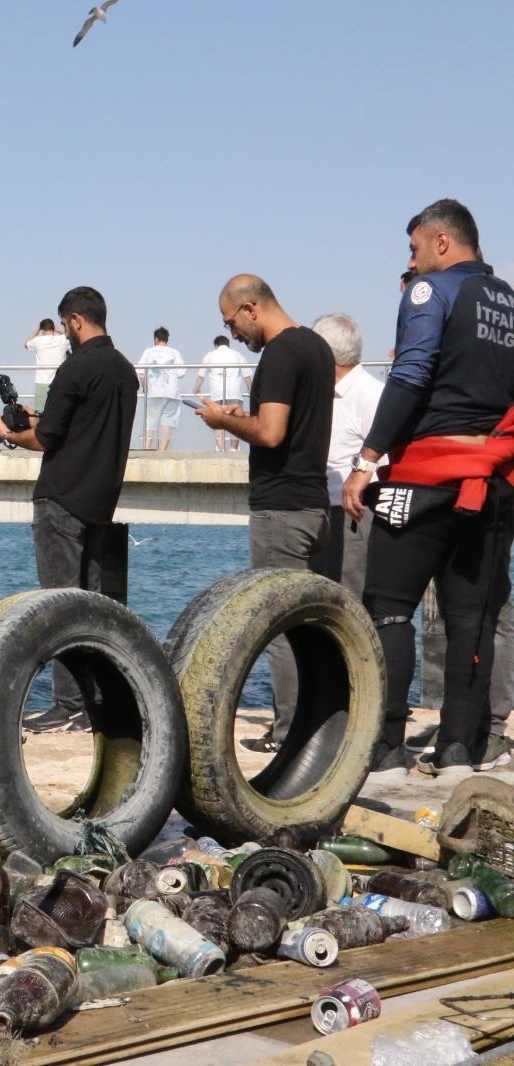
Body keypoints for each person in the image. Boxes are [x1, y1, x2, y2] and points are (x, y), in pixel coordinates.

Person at [343, 199, 514, 776]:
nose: (412, 262)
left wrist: (367, 460)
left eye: (415, 249)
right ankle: (459, 748)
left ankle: (387, 746)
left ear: (442, 242)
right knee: (473, 619)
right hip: (491, 482)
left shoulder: (429, 291)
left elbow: (411, 374)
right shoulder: (509, 301)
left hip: (424, 476)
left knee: (389, 611)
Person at [0, 286, 138, 732]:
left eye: (65, 324)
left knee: (58, 607)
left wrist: (5, 434)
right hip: (99, 502)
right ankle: (93, 704)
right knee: (90, 609)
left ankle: (66, 703)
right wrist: (37, 417)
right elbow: (80, 426)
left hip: (61, 499)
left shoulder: (75, 367)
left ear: (75, 320)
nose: (66, 333)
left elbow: (45, 439)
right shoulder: (125, 371)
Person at [199, 274, 333, 754]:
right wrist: (244, 417)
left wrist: (222, 421)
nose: (233, 333)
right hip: (315, 506)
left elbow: (273, 434)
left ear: (251, 308)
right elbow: (290, 424)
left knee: (280, 629)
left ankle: (289, 735)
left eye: (231, 322)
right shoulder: (316, 347)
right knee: (313, 629)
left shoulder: (278, 354)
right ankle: (320, 728)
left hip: (281, 510)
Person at [312, 313, 383, 598]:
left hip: (353, 513)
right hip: (324, 509)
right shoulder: (325, 392)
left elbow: (384, 461)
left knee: (350, 600)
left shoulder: (371, 393)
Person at [193, 335, 250, 451]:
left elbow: (201, 376)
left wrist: (195, 390)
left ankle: (220, 447)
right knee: (236, 420)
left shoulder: (210, 355)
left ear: (216, 345)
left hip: (217, 393)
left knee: (218, 418)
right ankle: (233, 448)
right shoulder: (237, 355)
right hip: (235, 392)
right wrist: (251, 390)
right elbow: (247, 376)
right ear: (228, 344)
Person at [136, 328, 185, 451]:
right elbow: (181, 373)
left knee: (150, 421)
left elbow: (140, 371)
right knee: (167, 422)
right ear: (167, 339)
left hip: (154, 392)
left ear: (156, 339)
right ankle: (162, 451)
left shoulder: (149, 351)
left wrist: (144, 387)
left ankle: (147, 448)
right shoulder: (175, 352)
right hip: (172, 393)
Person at [25, 319, 71, 412]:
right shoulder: (62, 339)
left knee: (40, 412)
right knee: (60, 411)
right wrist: (58, 330)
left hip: (42, 380)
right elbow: (72, 337)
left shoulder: (37, 340)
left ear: (42, 330)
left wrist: (37, 329)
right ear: (53, 328)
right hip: (60, 380)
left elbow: (26, 344)